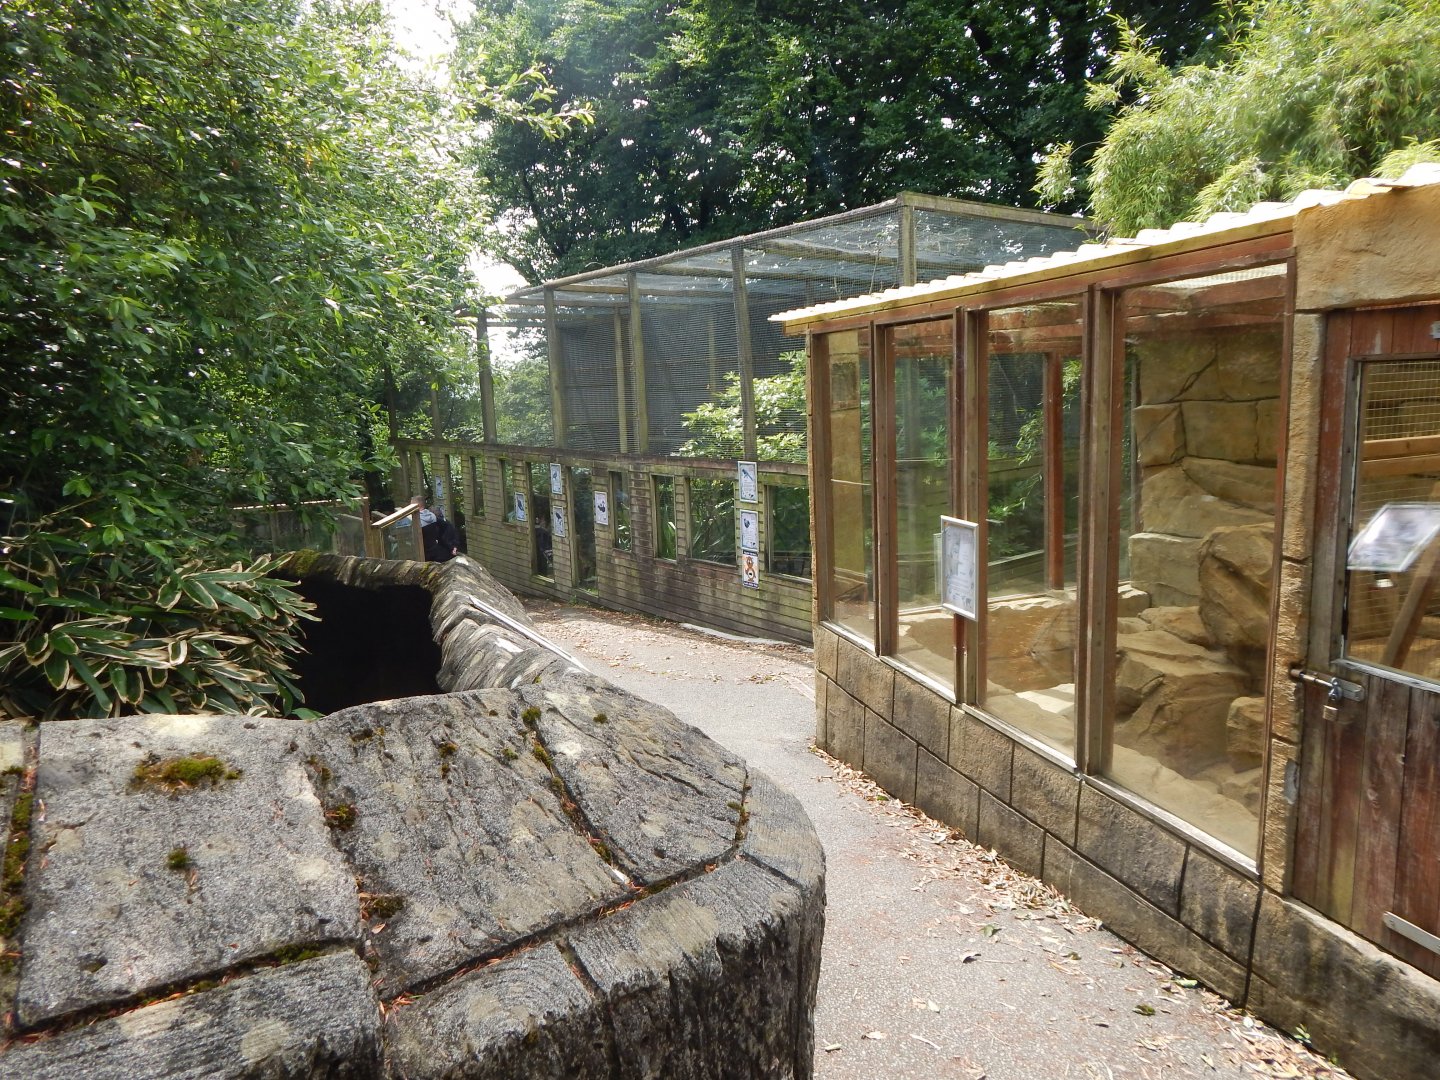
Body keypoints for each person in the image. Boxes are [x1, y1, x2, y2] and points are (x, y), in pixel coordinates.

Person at [413, 494, 460, 562]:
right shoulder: (432, 516)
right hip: (436, 550)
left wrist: (452, 546)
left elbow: (448, 528)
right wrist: (453, 545)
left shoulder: (417, 520)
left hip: (426, 554)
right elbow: (448, 527)